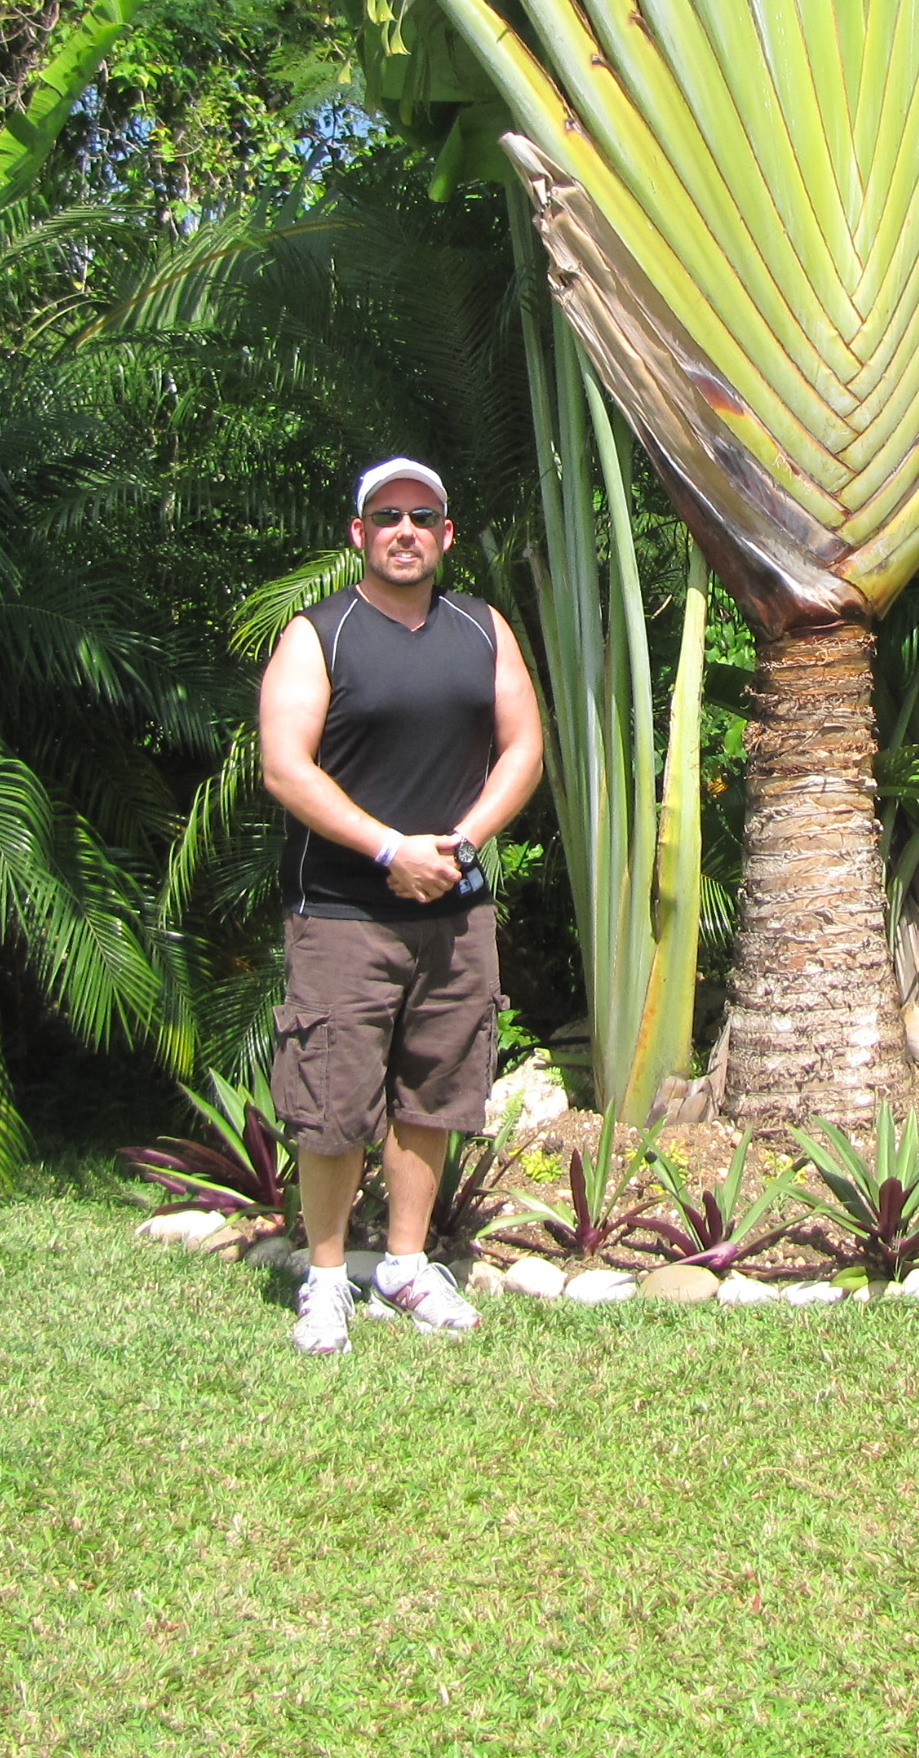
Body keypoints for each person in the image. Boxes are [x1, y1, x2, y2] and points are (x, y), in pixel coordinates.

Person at [257, 458, 544, 1354]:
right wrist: (390, 849)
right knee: (333, 1102)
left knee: (435, 1094)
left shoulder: (482, 628)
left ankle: (406, 1267)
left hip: (454, 913)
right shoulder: (319, 635)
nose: (405, 530)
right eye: (387, 516)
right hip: (343, 914)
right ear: (360, 534)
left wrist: (459, 846)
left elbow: (524, 748)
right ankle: (327, 1278)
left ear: (446, 534)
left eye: (422, 516)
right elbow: (285, 767)